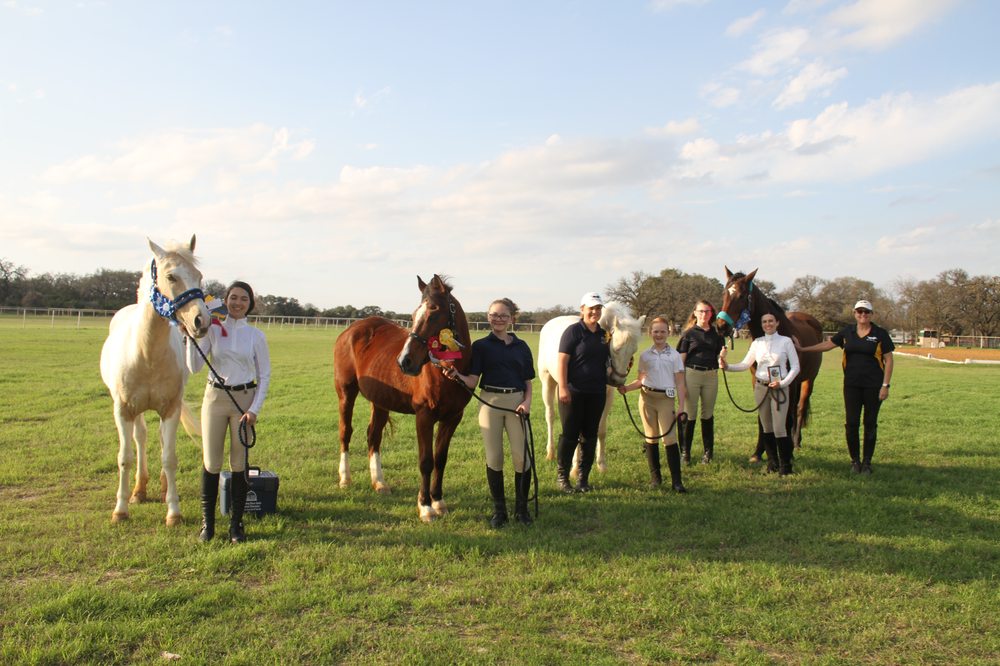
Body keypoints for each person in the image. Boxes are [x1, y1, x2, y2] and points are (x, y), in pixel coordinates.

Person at [185, 281, 271, 543]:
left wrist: (254, 409)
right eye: (233, 298)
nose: (237, 303)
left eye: (243, 299)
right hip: (215, 399)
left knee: (238, 463)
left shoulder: (256, 336)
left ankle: (236, 525)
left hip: (244, 402)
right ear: (225, 300)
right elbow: (194, 367)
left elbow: (264, 375)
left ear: (250, 304)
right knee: (211, 462)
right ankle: (207, 525)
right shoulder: (213, 329)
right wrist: (193, 337)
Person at [445, 298, 535, 527]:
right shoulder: (481, 346)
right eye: (494, 314)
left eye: (504, 315)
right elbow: (473, 380)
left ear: (512, 318)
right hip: (490, 402)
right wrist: (457, 376)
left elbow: (528, 381)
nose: (498, 319)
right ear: (488, 317)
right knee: (494, 457)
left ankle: (521, 510)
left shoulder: (522, 347)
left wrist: (527, 402)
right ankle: (500, 511)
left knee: (520, 457)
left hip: (516, 403)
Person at [796, 299, 894, 474]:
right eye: (859, 312)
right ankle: (855, 461)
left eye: (866, 312)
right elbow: (828, 345)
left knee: (870, 423)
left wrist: (885, 385)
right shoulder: (847, 332)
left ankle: (867, 463)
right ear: (854, 314)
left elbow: (889, 359)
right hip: (851, 385)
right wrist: (803, 349)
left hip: (873, 386)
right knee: (851, 423)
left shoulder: (880, 334)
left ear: (871, 315)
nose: (862, 315)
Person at [720, 313, 800, 475]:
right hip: (761, 386)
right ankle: (772, 463)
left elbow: (795, 367)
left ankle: (786, 466)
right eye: (764, 322)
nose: (768, 324)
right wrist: (726, 366)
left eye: (771, 321)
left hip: (779, 388)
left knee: (779, 427)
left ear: (777, 323)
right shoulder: (757, 343)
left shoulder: (786, 342)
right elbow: (745, 364)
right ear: (762, 324)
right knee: (766, 427)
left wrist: (783, 383)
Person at [618, 316, 688, 492]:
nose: (659, 335)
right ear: (650, 333)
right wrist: (626, 388)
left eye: (662, 331)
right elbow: (641, 380)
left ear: (668, 332)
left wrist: (681, 407)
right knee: (650, 437)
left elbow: (680, 383)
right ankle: (656, 478)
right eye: (655, 331)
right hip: (647, 398)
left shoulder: (675, 356)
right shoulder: (645, 356)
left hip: (666, 399)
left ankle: (676, 481)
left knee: (669, 438)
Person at [555, 292, 611, 494]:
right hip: (573, 392)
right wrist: (562, 387)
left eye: (598, 308)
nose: (595, 312)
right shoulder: (573, 332)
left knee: (590, 435)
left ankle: (583, 479)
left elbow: (608, 361)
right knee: (569, 435)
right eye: (591, 308)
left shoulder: (604, 334)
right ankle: (562, 477)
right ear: (582, 309)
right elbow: (562, 361)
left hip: (596, 392)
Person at [677, 300, 725, 465]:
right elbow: (680, 360)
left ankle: (708, 453)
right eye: (701, 311)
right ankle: (685, 452)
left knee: (708, 414)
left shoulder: (717, 334)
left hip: (711, 375)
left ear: (711, 313)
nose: (704, 314)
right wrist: (681, 383)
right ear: (695, 313)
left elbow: (719, 357)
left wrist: (722, 358)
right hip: (692, 374)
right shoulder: (688, 334)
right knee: (689, 414)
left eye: (707, 311)